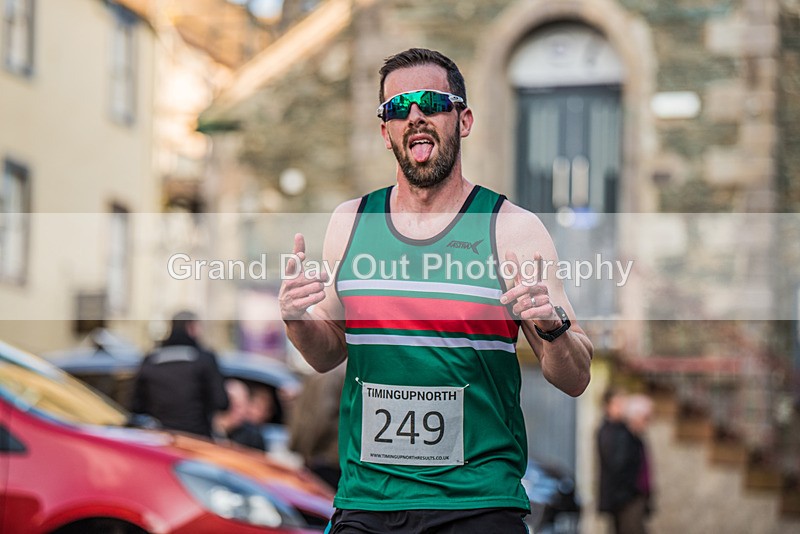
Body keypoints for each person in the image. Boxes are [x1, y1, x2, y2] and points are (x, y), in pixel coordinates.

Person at [279, 48, 593, 533]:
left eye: (431, 102)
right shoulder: (351, 222)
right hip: (369, 501)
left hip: (478, 503)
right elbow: (325, 354)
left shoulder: (512, 229)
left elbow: (574, 378)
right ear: (386, 132)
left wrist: (552, 328)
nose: (415, 116)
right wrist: (297, 320)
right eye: (398, 108)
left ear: (463, 120)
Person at [131, 311, 228, 438]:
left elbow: (136, 405)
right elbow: (221, 402)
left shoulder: (151, 360)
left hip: (159, 440)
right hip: (197, 440)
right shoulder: (204, 360)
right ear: (191, 327)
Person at [597, 391, 654, 534]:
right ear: (607, 407)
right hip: (625, 497)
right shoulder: (612, 432)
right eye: (618, 404)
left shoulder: (624, 431)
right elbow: (618, 465)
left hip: (628, 496)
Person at [288, 363, 346, 489]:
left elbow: (320, 418)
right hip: (336, 457)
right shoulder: (346, 369)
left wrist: (306, 452)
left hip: (325, 458)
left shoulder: (328, 371)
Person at [215, 379, 266, 451]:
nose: (241, 413)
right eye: (237, 406)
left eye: (243, 407)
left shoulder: (253, 436)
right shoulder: (205, 423)